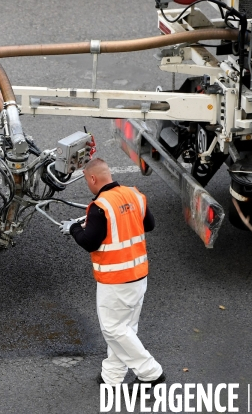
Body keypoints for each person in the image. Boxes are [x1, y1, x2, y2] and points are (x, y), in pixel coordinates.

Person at [60, 158, 165, 387]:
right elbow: (149, 225)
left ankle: (151, 373)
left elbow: (90, 242)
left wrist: (74, 228)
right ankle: (112, 376)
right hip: (138, 274)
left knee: (113, 329)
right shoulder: (134, 194)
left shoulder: (100, 207)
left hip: (115, 279)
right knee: (126, 328)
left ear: (93, 178)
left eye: (88, 181)